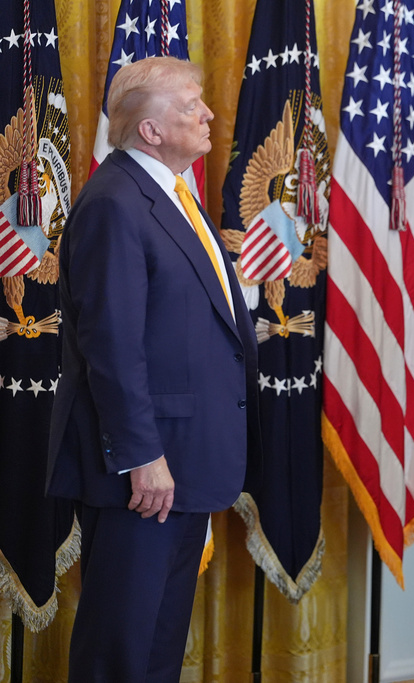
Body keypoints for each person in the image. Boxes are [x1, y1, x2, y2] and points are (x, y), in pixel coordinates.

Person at [46, 56, 261, 682]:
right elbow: (111, 346)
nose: (210, 113)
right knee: (121, 651)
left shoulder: (169, 198)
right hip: (144, 471)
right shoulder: (116, 202)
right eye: (192, 104)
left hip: (186, 459)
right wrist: (142, 455)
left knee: (159, 645)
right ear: (151, 131)